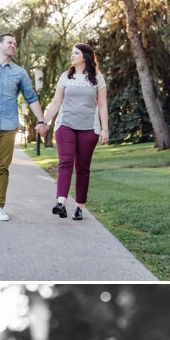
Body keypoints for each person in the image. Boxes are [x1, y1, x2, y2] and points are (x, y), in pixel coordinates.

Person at [0, 32, 48, 222]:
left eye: (15, 43)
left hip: (9, 125)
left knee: (3, 167)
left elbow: (31, 98)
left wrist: (42, 120)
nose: (13, 45)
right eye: (10, 43)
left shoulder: (19, 72)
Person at [41, 43, 109, 221]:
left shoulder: (97, 78)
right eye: (71, 53)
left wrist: (104, 128)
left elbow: (102, 105)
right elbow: (56, 102)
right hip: (66, 125)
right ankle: (60, 203)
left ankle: (79, 207)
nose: (72, 56)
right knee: (65, 162)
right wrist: (44, 121)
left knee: (83, 168)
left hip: (89, 128)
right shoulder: (66, 76)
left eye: (76, 53)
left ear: (85, 56)